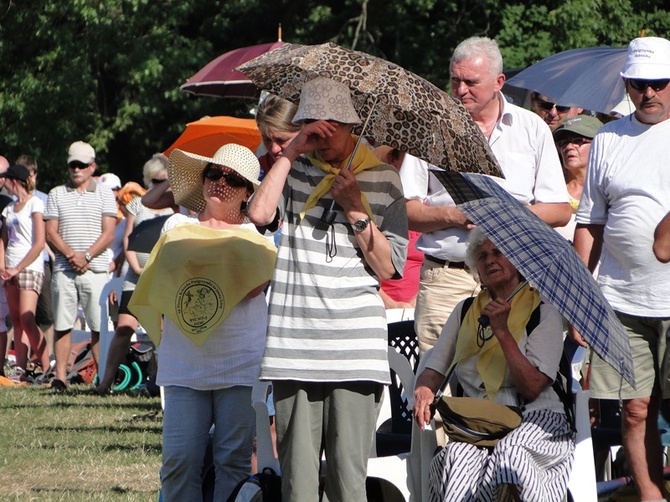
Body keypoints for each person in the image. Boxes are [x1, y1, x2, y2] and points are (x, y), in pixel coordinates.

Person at [247, 76, 408, 502]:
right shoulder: (293, 168)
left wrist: (355, 205)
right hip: (293, 349)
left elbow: (390, 267)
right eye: (310, 124)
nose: (320, 135)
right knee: (297, 483)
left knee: (347, 482)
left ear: (347, 123)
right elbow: (260, 213)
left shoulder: (385, 178)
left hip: (355, 352)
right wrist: (293, 150)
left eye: (326, 126)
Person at [402, 36, 571, 354]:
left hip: (514, 278)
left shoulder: (532, 128)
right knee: (438, 387)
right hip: (446, 278)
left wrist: (508, 216)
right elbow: (406, 210)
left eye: (470, 82)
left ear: (499, 82)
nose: (460, 90)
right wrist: (455, 215)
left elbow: (560, 210)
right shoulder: (429, 128)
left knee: (510, 382)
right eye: (455, 80)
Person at [129, 143, 276, 501]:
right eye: (213, 173)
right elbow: (165, 281)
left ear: (246, 193)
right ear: (202, 178)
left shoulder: (258, 239)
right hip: (184, 364)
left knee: (233, 463)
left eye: (233, 179)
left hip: (240, 364)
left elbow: (252, 289)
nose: (220, 183)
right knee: (178, 464)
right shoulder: (176, 225)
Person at [573, 36, 670, 501]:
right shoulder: (608, 137)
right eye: (637, 84)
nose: (648, 93)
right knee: (635, 411)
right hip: (622, 300)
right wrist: (577, 300)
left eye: (659, 83)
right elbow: (590, 224)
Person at [413, 228, 574, 501]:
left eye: (498, 252)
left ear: (518, 261)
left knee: (511, 453)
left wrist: (502, 332)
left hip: (536, 417)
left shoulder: (543, 311)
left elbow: (533, 386)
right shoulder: (465, 310)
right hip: (482, 421)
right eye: (482, 255)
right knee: (456, 456)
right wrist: (424, 391)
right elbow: (434, 368)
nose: (489, 260)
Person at [93, 155, 173, 395]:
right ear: (148, 179)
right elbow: (127, 239)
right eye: (157, 180)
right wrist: (136, 268)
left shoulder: (174, 203)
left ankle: (159, 383)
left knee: (161, 332)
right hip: (136, 276)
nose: (161, 184)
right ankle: (105, 382)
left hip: (164, 276)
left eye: (166, 179)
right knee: (124, 328)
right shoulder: (137, 204)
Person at [44, 141, 117, 390]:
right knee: (63, 324)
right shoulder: (56, 193)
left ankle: (102, 379)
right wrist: (71, 255)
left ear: (92, 166)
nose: (76, 169)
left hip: (95, 269)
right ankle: (60, 377)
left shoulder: (105, 194)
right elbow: (50, 232)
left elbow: (109, 232)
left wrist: (85, 256)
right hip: (65, 269)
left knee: (98, 325)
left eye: (82, 165)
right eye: (73, 165)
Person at [0, 164, 51, 380]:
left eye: (6, 180)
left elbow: (39, 242)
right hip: (9, 268)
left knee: (27, 317)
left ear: (15, 181)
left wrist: (17, 268)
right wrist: (3, 267)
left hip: (29, 267)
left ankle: (48, 366)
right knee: (17, 319)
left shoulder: (35, 204)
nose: (4, 184)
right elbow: (3, 240)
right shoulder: (9, 209)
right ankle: (21, 369)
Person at [15, 154, 55, 362]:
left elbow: (47, 233)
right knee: (21, 318)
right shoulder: (12, 202)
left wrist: (51, 251)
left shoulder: (43, 199)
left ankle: (45, 361)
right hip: (15, 265)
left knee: (46, 317)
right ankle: (26, 362)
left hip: (41, 264)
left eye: (31, 174)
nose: (28, 179)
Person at [552, 115, 604, 241]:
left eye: (578, 140)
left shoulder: (609, 193)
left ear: (600, 144)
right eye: (563, 143)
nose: (569, 147)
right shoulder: (550, 187)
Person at [255, 94, 303, 180]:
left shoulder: (328, 172)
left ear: (304, 131)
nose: (274, 149)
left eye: (282, 140)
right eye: (267, 140)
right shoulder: (257, 173)